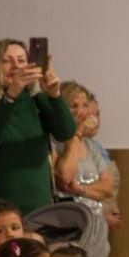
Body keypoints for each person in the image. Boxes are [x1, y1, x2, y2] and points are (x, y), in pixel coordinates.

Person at [0, 39, 77, 224]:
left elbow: (65, 132)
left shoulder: (35, 101)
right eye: (7, 61)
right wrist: (11, 95)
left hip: (40, 208)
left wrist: (54, 95)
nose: (16, 66)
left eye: (21, 60)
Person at [53, 81, 121, 228]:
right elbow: (64, 176)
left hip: (96, 223)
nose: (81, 112)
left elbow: (108, 187)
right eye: (74, 106)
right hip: (67, 224)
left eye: (84, 105)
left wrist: (80, 190)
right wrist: (76, 134)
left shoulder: (90, 146)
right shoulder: (53, 143)